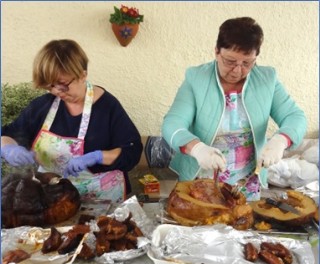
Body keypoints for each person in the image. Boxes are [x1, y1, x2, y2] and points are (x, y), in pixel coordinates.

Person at [161, 17, 307, 201]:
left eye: (247, 63)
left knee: (242, 223)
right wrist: (197, 149)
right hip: (202, 179)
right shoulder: (196, 78)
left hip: (247, 182)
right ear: (216, 51)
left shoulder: (267, 79)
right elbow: (172, 123)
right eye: (230, 61)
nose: (237, 70)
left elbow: (295, 116)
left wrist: (281, 140)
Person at [1, 39, 143, 203]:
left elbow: (131, 150)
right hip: (54, 200)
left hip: (102, 201)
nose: (56, 92)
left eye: (62, 85)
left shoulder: (107, 107)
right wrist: (8, 148)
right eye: (50, 86)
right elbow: (8, 133)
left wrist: (98, 156)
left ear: (82, 75)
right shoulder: (42, 106)